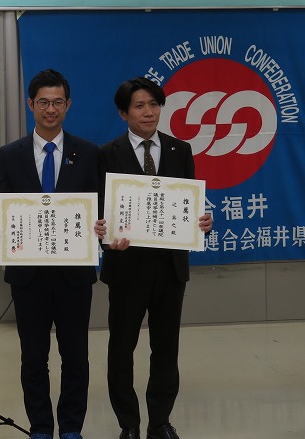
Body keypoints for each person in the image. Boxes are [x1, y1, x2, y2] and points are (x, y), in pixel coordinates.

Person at [93, 77, 213, 439]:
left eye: (154, 104)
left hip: (169, 267)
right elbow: (100, 212)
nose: (149, 112)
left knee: (165, 347)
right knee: (122, 347)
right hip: (126, 266)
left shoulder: (180, 150)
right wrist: (104, 235)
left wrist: (201, 223)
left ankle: (159, 421)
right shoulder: (106, 154)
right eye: (139, 106)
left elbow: (188, 205)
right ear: (123, 113)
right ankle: (128, 423)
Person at [0, 69, 99, 439]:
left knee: (75, 357)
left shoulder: (89, 153)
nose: (50, 109)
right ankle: (40, 427)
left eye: (57, 102)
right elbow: (5, 204)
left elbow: (98, 208)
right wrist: (1, 231)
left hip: (73, 273)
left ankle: (71, 427)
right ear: (30, 104)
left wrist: (101, 226)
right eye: (43, 102)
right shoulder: (10, 154)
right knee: (33, 357)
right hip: (28, 274)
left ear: (68, 105)